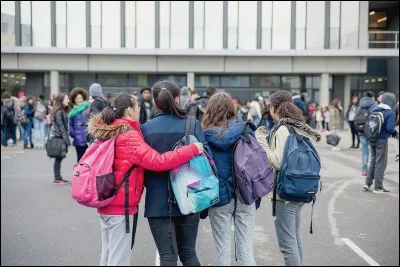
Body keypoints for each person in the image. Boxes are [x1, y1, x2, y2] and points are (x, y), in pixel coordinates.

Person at [87, 93, 203, 266]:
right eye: (137, 107)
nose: (139, 109)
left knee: (108, 252)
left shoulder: (107, 130)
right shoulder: (129, 136)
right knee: (119, 258)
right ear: (128, 111)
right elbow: (158, 161)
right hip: (121, 206)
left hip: (106, 202)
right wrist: (190, 150)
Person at [141, 80, 211, 266]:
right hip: (190, 195)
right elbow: (206, 160)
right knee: (188, 253)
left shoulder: (146, 129)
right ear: (177, 98)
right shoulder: (192, 124)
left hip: (157, 199)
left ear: (155, 101)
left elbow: (143, 166)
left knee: (167, 257)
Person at [255, 90, 320, 266]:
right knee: (295, 240)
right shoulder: (301, 126)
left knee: (287, 245)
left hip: (285, 192)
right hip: (302, 188)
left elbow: (277, 161)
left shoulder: (282, 129)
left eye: (270, 106)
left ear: (275, 108)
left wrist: (261, 141)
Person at [202, 92, 257, 266]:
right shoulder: (244, 128)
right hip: (245, 193)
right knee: (246, 250)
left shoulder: (205, 134)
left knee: (222, 250)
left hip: (219, 196)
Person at [363, 92, 397, 194]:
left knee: (373, 161)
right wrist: (394, 131)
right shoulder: (391, 113)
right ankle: (378, 187)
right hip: (382, 140)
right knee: (380, 163)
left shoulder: (375, 109)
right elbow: (389, 128)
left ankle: (367, 183)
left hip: (372, 138)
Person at [51, 94, 71, 184]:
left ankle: (58, 177)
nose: (68, 100)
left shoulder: (60, 111)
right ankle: (57, 177)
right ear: (61, 100)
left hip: (59, 137)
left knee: (59, 158)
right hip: (59, 137)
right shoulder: (59, 112)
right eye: (66, 99)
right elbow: (61, 127)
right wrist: (67, 140)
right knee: (58, 158)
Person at [357, 91, 377, 176]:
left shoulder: (360, 105)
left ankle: (364, 170)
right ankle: (373, 169)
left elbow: (356, 118)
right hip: (370, 131)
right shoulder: (373, 104)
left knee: (364, 151)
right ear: (372, 97)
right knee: (373, 151)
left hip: (361, 131)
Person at [68, 87, 89, 162]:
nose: (79, 100)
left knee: (88, 159)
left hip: (87, 138)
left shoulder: (88, 108)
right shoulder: (73, 111)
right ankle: (79, 173)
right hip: (77, 139)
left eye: (80, 98)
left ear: (83, 98)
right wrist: (73, 133)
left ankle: (86, 173)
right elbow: (70, 125)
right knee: (79, 159)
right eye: (77, 98)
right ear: (74, 99)